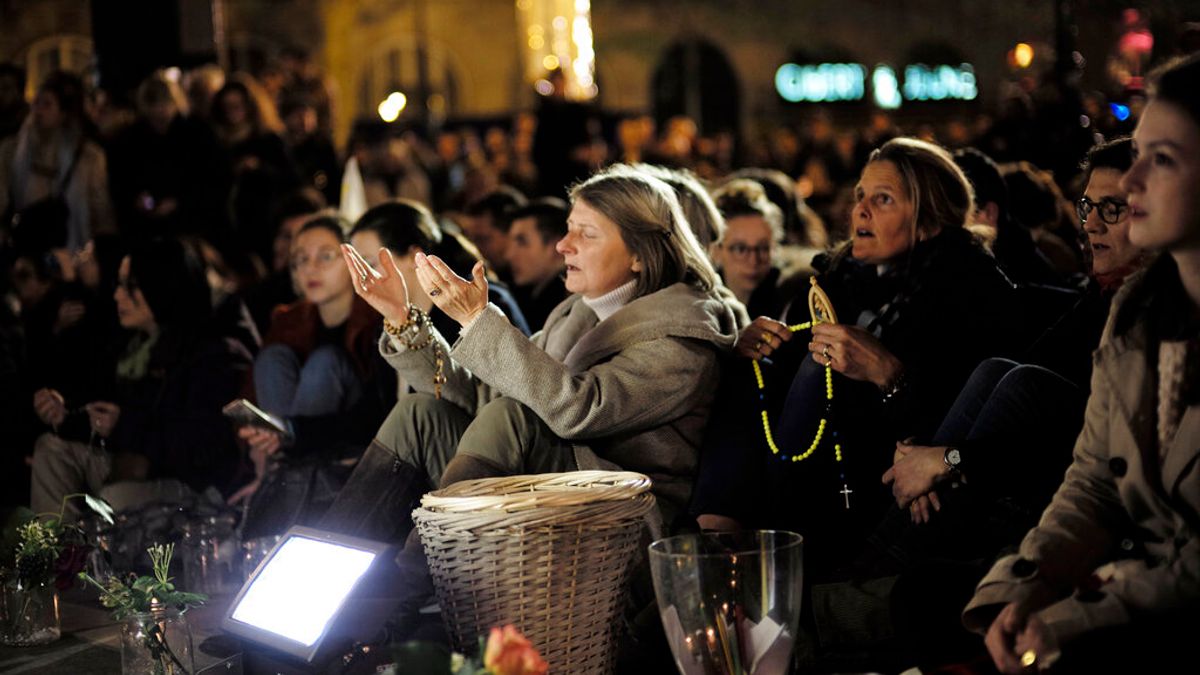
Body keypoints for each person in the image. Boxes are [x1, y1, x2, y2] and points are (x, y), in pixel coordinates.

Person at [319, 164, 738, 550]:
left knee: (511, 418)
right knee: (420, 414)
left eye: (586, 234)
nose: (563, 245)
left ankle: (412, 576)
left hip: (617, 520)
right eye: (568, 229)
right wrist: (402, 320)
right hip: (547, 489)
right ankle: (329, 564)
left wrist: (477, 320)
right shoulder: (575, 314)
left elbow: (579, 409)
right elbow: (482, 397)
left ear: (639, 255)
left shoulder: (682, 337)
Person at [964, 52, 1200, 675]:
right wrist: (1025, 588)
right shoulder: (1138, 310)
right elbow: (1094, 481)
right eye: (1137, 152)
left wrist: (1069, 614)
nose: (1131, 180)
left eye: (1163, 159)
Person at [692, 138, 1016, 579]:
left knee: (817, 368)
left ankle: (770, 557)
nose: (860, 211)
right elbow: (782, 374)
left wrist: (887, 373)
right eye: (860, 196)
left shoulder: (971, 290)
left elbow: (961, 420)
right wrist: (762, 342)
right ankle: (718, 540)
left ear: (928, 218)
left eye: (882, 200)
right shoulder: (842, 278)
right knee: (754, 364)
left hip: (885, 482)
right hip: (821, 463)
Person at [29, 237, 241, 517]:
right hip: (131, 464)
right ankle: (58, 556)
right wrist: (66, 413)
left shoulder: (206, 354)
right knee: (51, 451)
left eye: (130, 287)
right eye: (118, 284)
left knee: (115, 497)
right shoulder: (130, 347)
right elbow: (104, 413)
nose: (118, 295)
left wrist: (124, 426)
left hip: (189, 484)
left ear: (162, 287)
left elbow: (202, 447)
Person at [346, 199, 530, 346]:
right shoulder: (387, 325)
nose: (364, 277)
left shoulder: (481, 303)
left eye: (370, 264)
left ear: (414, 256)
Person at [0, 70, 113, 252]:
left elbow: (100, 211)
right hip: (25, 246)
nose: (38, 111)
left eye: (47, 104)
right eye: (36, 102)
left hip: (71, 247)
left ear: (63, 112)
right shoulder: (11, 149)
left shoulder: (88, 156)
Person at [710, 178, 806, 319]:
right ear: (716, 249)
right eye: (740, 249)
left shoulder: (791, 298)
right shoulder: (701, 302)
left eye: (763, 248)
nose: (753, 261)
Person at [504, 197, 569, 331]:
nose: (510, 255)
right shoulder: (534, 297)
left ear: (555, 245)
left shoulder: (560, 305)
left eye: (522, 242)